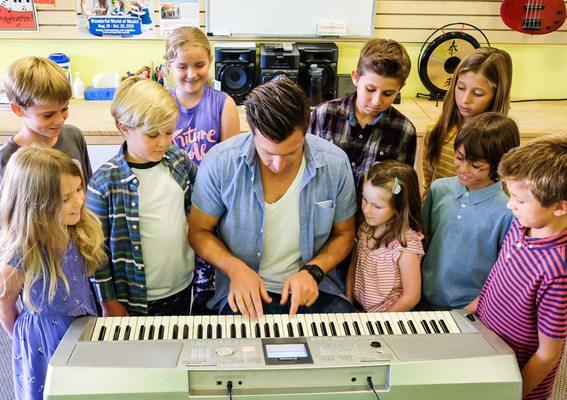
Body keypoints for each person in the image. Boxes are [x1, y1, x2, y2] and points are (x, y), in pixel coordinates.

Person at [189, 78, 357, 318]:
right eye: (267, 153)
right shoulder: (221, 161)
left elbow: (345, 234)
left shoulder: (335, 164)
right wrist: (235, 269)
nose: (278, 164)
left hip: (315, 288)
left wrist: (314, 271)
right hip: (242, 292)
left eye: (291, 153)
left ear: (305, 131)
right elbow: (198, 232)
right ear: (252, 131)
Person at [0, 147, 106, 400]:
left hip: (81, 320)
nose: (79, 201)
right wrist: (22, 338)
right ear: (35, 205)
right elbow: (5, 299)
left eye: (79, 189)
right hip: (44, 338)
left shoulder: (75, 228)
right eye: (65, 198)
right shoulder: (24, 251)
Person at [87, 76, 198, 317]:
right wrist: (107, 301)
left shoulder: (177, 160)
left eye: (169, 132)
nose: (163, 143)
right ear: (124, 128)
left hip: (180, 285)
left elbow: (201, 202)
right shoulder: (104, 182)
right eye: (152, 135)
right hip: (132, 297)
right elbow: (95, 251)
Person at [471, 133, 567, 400]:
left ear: (559, 207)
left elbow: (549, 353)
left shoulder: (557, 269)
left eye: (520, 200)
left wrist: (513, 392)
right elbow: (499, 276)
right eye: (510, 195)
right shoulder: (522, 223)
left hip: (517, 376)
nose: (510, 204)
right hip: (488, 344)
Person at [165, 26, 240, 311]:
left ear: (210, 61)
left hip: (209, 208)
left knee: (205, 285)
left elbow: (231, 165)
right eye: (182, 66)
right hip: (170, 206)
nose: (191, 74)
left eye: (199, 65)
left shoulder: (224, 104)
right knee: (175, 274)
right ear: (169, 65)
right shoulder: (161, 104)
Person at [420, 113, 520, 310]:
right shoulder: (438, 189)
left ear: (500, 165)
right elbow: (422, 243)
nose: (463, 169)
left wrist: (472, 309)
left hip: (471, 309)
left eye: (476, 165)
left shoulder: (508, 212)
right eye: (459, 157)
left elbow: (504, 276)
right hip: (422, 298)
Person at [308, 38, 416, 190]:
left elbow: (398, 189)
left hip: (371, 213)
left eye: (388, 93)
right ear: (355, 77)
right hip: (326, 210)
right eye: (370, 89)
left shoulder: (404, 131)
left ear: (401, 87)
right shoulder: (324, 115)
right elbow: (308, 169)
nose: (376, 101)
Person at [421, 47, 512, 195]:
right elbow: (428, 187)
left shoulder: (501, 140)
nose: (465, 100)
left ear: (497, 95)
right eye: (461, 87)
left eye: (478, 93)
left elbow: (507, 196)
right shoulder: (436, 130)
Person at [346, 160, 424, 312]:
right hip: (358, 311)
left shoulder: (406, 245)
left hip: (387, 318)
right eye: (364, 199)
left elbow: (412, 296)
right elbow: (353, 267)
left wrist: (378, 321)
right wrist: (348, 303)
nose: (366, 210)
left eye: (377, 206)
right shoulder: (365, 228)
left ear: (398, 207)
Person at [1, 56, 92, 186]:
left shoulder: (74, 136)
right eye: (48, 115)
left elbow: (87, 190)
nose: (60, 120)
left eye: (64, 109)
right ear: (18, 109)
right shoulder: (5, 159)